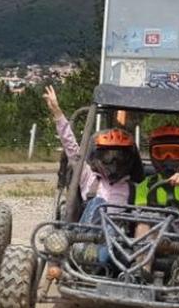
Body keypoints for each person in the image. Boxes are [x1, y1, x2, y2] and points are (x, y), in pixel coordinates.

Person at [43, 86, 142, 219]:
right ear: (98, 156)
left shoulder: (133, 188)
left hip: (118, 235)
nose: (113, 163)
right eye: (108, 157)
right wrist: (57, 112)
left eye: (119, 157)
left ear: (129, 158)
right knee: (98, 203)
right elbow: (71, 147)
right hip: (87, 234)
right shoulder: (88, 177)